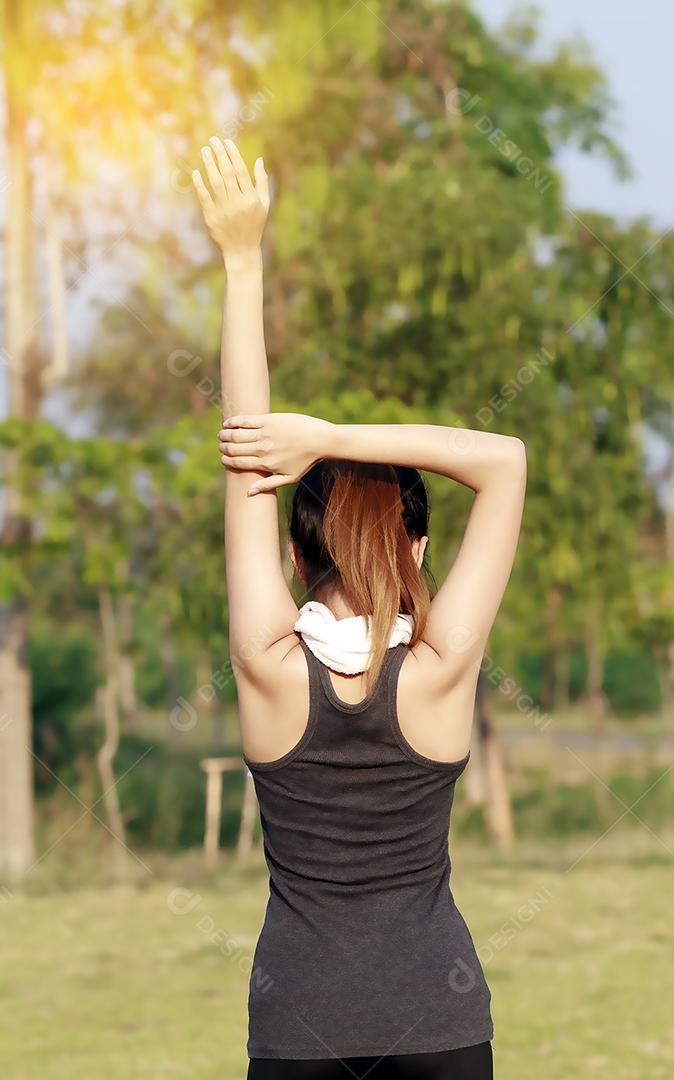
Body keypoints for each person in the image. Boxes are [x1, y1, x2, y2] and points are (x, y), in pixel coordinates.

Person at [192, 138, 526, 1080]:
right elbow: (504, 461)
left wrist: (243, 258)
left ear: (295, 555)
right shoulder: (443, 668)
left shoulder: (266, 663)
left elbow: (247, 465)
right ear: (419, 549)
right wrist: (333, 437)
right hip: (442, 1023)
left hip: (301, 1029)